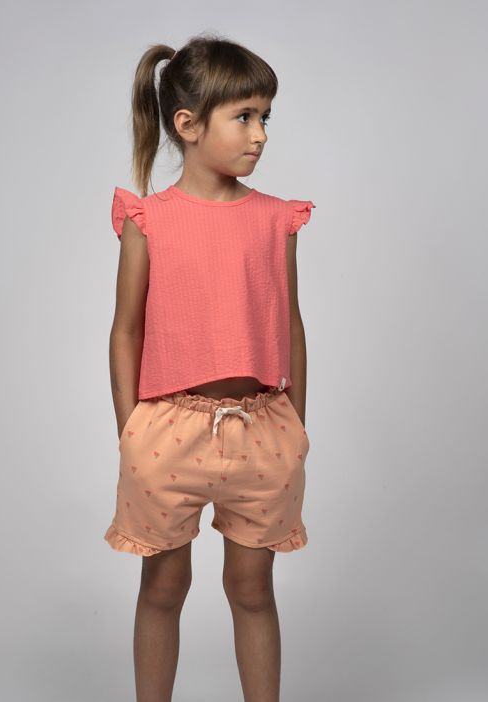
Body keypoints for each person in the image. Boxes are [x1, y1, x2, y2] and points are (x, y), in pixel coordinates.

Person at [104, 33, 316, 702]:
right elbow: (126, 330)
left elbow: (289, 325)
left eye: (265, 117)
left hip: (262, 430)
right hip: (168, 433)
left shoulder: (275, 219)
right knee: (163, 587)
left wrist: (295, 426)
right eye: (244, 116)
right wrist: (131, 431)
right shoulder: (149, 221)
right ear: (188, 125)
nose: (260, 135)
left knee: (252, 590)